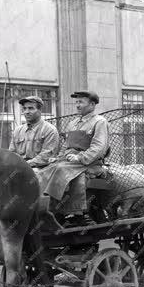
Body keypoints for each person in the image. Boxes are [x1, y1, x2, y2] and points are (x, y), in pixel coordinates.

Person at [37, 91, 109, 227]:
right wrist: (58, 158)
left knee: (60, 170)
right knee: (45, 170)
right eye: (76, 102)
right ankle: (45, 208)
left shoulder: (100, 122)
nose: (77, 105)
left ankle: (67, 211)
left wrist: (79, 157)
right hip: (69, 162)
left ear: (92, 104)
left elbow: (99, 147)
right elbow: (66, 145)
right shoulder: (73, 123)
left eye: (81, 102)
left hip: (90, 163)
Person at [8, 95, 59, 169]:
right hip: (19, 168)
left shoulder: (49, 130)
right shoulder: (18, 131)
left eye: (31, 108)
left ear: (40, 110)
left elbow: (46, 156)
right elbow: (11, 153)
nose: (26, 112)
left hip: (41, 169)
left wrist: (24, 164)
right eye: (24, 109)